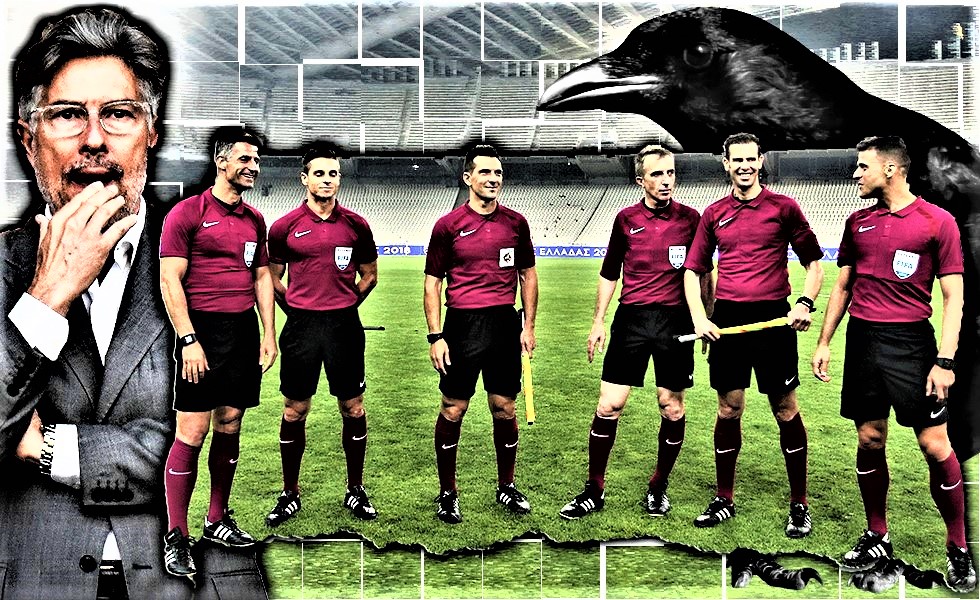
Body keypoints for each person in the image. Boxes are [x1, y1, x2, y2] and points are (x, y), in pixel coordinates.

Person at [0, 7, 266, 599]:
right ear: (28, 139)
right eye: (67, 115)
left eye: (118, 114)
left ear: (151, 132)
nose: (94, 139)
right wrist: (47, 297)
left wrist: (46, 447)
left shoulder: (204, 252)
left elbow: (208, 436)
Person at [811, 136, 976, 592]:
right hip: (863, 342)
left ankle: (958, 547)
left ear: (889, 169)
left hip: (912, 344)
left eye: (862, 166)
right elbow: (843, 287)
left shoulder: (936, 221)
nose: (855, 174)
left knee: (934, 445)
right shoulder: (856, 222)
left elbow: (954, 297)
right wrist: (824, 342)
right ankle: (877, 535)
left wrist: (945, 360)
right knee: (869, 438)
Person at [683, 132, 824, 538]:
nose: (744, 166)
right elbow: (693, 271)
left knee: (785, 409)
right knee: (729, 409)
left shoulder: (784, 208)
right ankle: (724, 498)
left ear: (761, 161)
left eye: (751, 159)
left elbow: (814, 265)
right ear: (725, 164)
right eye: (737, 160)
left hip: (773, 318)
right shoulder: (714, 213)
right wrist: (700, 318)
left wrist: (804, 303)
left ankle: (799, 504)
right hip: (728, 320)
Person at [558, 145, 709, 519]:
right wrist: (598, 321)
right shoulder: (625, 219)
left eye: (670, 172)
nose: (666, 181)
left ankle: (658, 486)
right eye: (657, 174)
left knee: (672, 407)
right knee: (609, 405)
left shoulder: (691, 219)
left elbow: (705, 274)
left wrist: (707, 317)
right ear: (641, 180)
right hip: (631, 321)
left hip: (675, 323)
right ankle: (594, 489)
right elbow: (609, 273)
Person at [159, 127, 278, 577]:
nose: (253, 167)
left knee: (230, 422)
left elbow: (261, 277)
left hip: (242, 331)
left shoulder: (255, 220)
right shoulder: (187, 213)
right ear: (221, 161)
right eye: (245, 159)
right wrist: (188, 339)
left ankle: (216, 520)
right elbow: (170, 280)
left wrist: (268, 333)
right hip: (201, 332)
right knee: (192, 430)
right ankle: (176, 534)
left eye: (257, 161)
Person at [264, 144, 379, 526]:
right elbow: (272, 279)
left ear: (339, 180)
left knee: (353, 408)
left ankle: (355, 489)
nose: (326, 180)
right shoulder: (284, 227)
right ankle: (289, 493)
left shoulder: (356, 225)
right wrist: (297, 309)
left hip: (344, 327)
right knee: (294, 410)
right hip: (301, 328)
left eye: (333, 174)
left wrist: (344, 304)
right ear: (305, 178)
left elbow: (370, 275)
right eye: (319, 173)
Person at [424, 144, 538, 524]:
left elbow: (527, 275)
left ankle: (507, 486)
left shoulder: (516, 223)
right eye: (485, 172)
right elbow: (432, 283)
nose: (493, 179)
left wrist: (528, 326)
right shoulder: (447, 226)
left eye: (498, 173)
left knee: (504, 407)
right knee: (453, 407)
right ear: (467, 177)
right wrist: (436, 336)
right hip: (462, 325)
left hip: (504, 324)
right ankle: (448, 493)